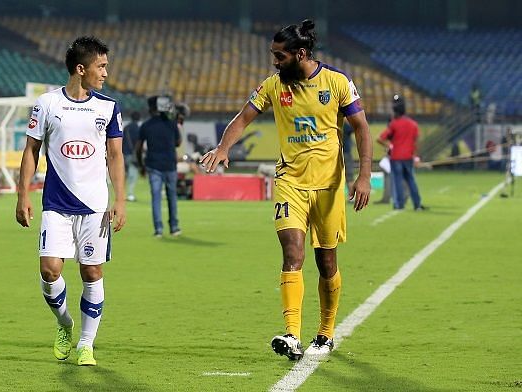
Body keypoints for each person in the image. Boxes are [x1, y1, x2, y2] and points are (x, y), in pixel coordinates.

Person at [200, 19, 372, 360]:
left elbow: (361, 128)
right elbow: (242, 118)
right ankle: (292, 334)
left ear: (300, 54)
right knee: (292, 254)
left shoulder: (337, 83)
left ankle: (325, 331)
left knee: (326, 263)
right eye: (273, 55)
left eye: (280, 56)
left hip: (329, 186)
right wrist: (223, 148)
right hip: (290, 183)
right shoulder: (273, 85)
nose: (274, 62)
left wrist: (364, 175)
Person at [15, 36, 126, 366]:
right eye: (101, 66)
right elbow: (31, 151)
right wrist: (23, 194)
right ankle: (64, 323)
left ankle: (86, 344)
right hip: (56, 204)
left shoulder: (108, 107)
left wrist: (120, 199)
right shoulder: (46, 104)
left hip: (94, 206)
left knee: (92, 272)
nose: (106, 72)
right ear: (81, 69)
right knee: (50, 271)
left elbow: (116, 155)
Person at [136, 96, 182, 238]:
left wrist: (141, 165)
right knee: (172, 197)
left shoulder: (146, 125)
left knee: (156, 197)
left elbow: (138, 148)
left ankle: (158, 229)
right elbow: (178, 142)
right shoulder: (171, 123)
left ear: (151, 109)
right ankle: (174, 227)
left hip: (153, 165)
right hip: (170, 164)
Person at [377, 95, 425, 210]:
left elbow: (380, 138)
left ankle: (399, 204)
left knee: (397, 180)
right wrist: (416, 157)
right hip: (408, 156)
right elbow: (416, 142)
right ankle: (417, 204)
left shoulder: (394, 123)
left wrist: (389, 145)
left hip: (396, 156)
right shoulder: (413, 124)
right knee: (411, 180)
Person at [123, 111, 141, 201]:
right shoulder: (138, 128)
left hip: (124, 154)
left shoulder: (126, 128)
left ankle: (122, 193)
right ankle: (130, 194)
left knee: (125, 175)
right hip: (133, 154)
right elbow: (139, 143)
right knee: (132, 175)